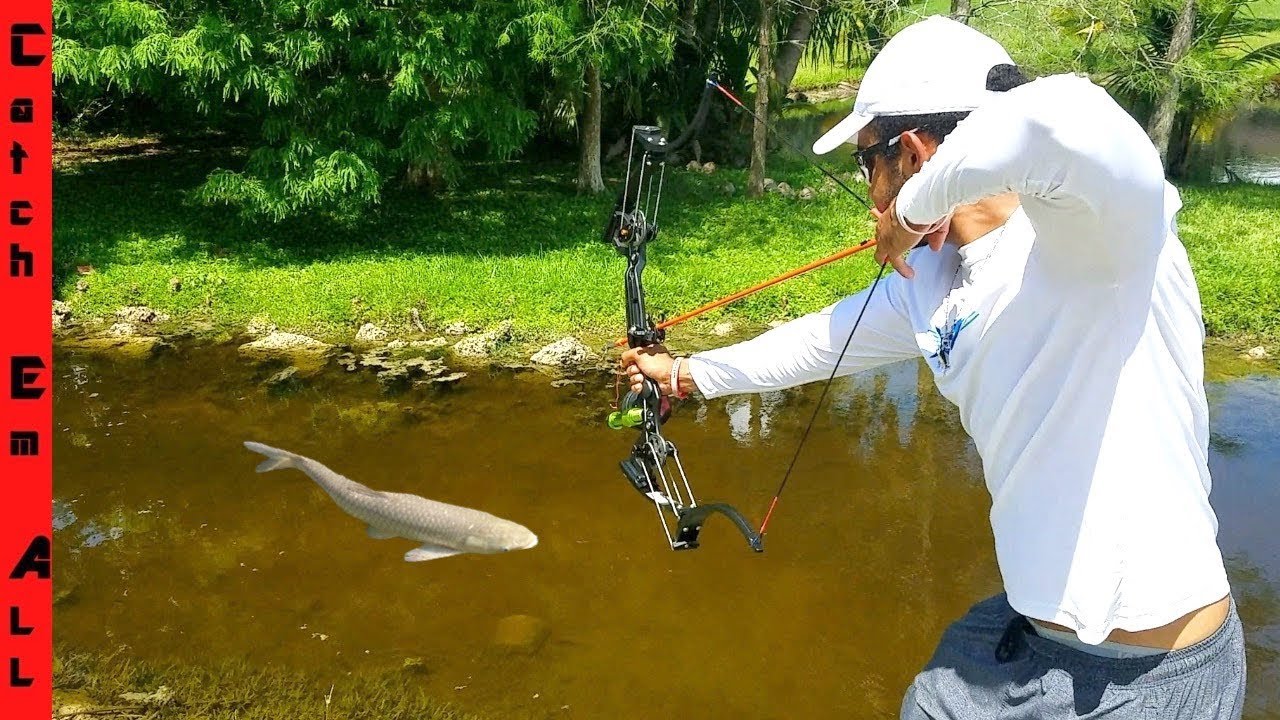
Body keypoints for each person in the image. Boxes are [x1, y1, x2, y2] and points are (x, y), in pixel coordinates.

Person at [620, 15, 1245, 720]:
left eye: (867, 162)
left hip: (1151, 679)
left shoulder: (1103, 236)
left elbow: (1061, 117)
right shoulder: (933, 282)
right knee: (928, 703)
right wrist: (683, 374)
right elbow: (817, 342)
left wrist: (914, 209)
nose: (870, 190)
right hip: (1030, 635)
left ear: (914, 153)